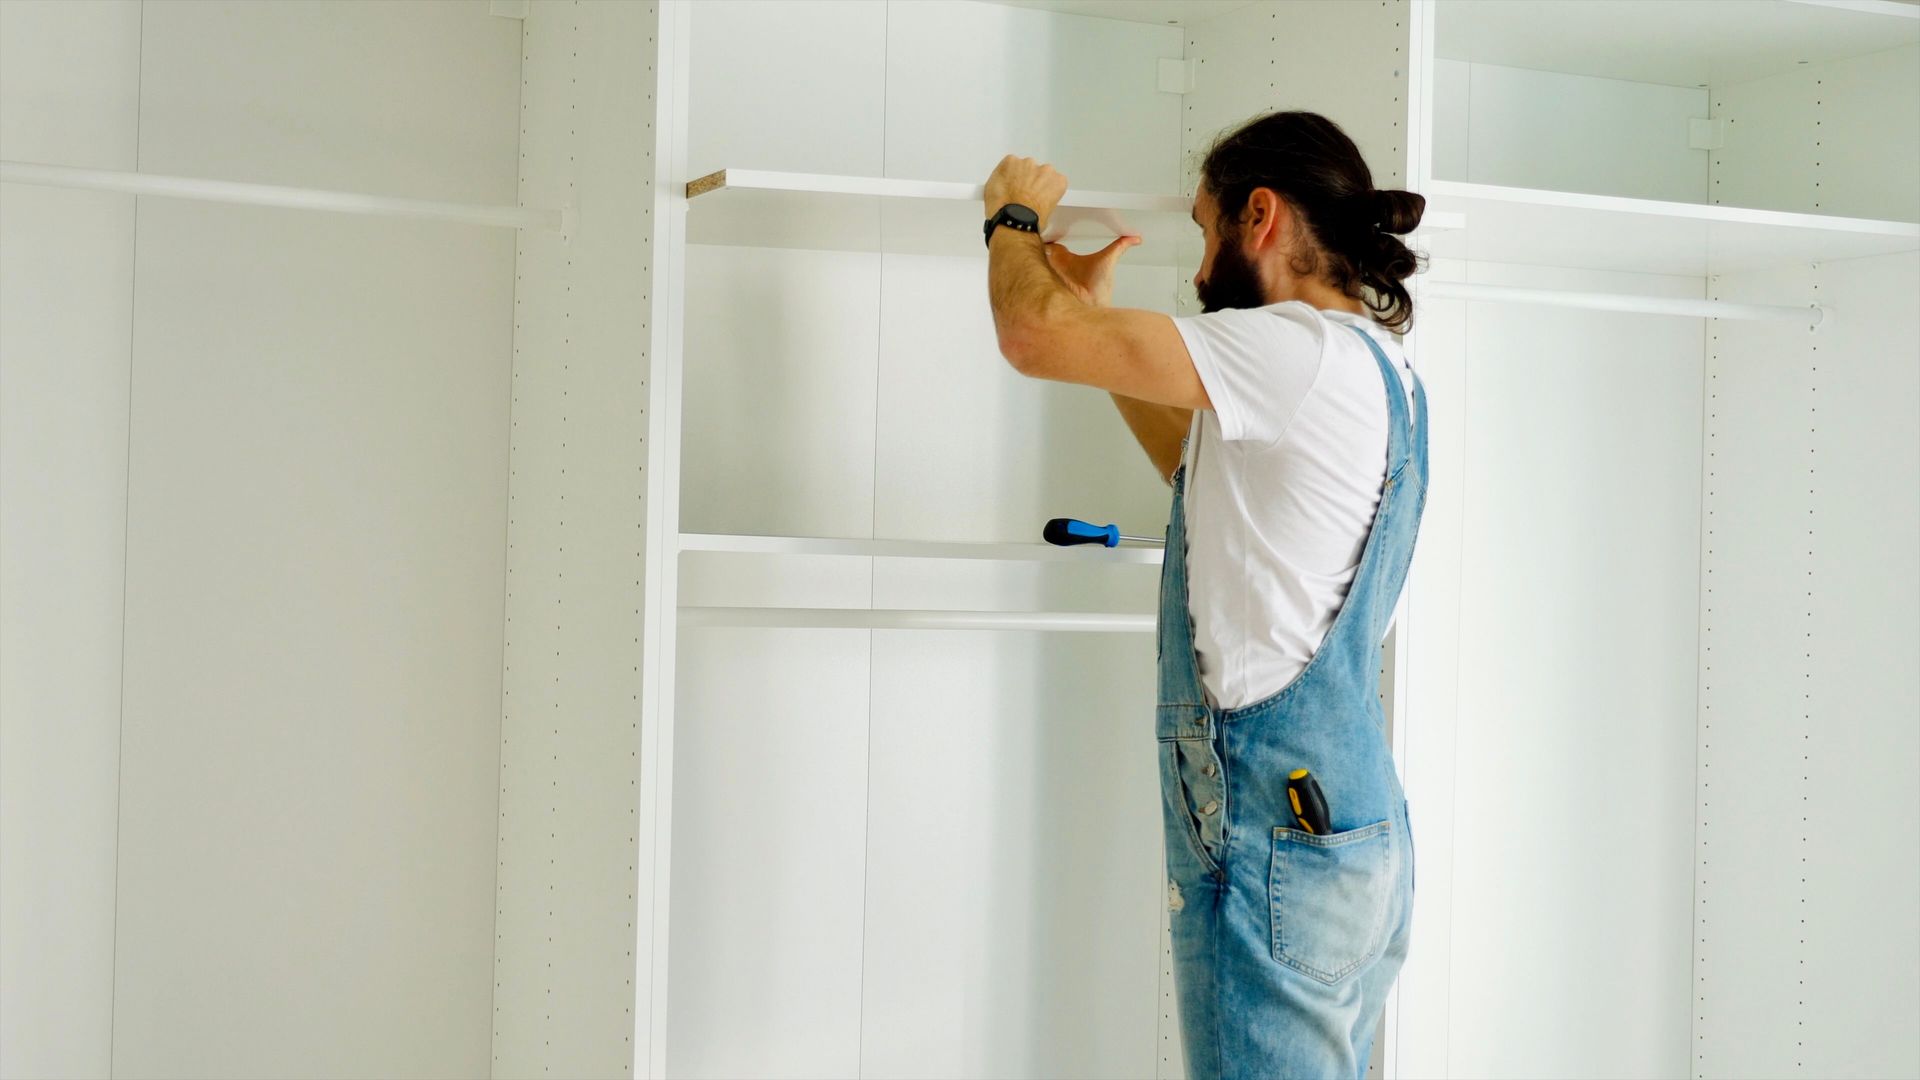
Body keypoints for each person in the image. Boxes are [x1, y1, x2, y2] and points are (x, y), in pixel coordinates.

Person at [983, 109, 1428, 1080]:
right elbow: (1204, 481)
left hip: (1277, 837)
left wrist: (1010, 219)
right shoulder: (1381, 371)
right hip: (1352, 833)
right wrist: (1094, 332)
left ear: (1258, 217)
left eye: (1202, 228)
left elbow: (1027, 334)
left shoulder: (1289, 347)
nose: (1194, 268)